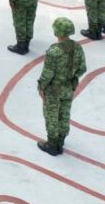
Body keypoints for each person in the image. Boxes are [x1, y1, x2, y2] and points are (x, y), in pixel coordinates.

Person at [36, 17, 87, 156]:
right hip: (68, 88)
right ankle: (61, 140)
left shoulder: (54, 51)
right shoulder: (77, 47)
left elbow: (48, 74)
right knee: (64, 114)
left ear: (57, 31)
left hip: (53, 89)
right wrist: (72, 77)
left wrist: (41, 87)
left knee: (52, 115)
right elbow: (82, 68)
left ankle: (52, 145)